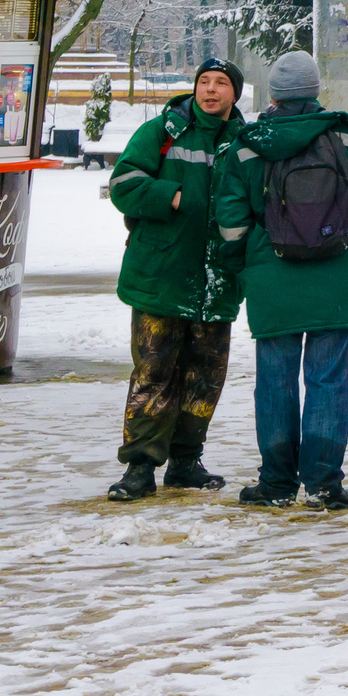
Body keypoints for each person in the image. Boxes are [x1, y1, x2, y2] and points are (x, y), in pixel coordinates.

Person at [214, 50, 348, 509]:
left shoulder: (246, 144)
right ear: (316, 90)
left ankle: (276, 484)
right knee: (329, 380)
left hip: (272, 278)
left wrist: (241, 268)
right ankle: (323, 484)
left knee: (274, 381)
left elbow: (230, 221)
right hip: (337, 277)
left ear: (273, 93)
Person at [103, 59, 250, 501]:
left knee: (205, 376)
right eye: (204, 82)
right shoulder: (163, 131)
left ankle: (186, 461)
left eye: (221, 84)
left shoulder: (245, 142)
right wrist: (173, 195)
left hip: (216, 278)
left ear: (234, 95)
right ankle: (140, 465)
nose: (210, 90)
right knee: (154, 372)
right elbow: (123, 183)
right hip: (160, 275)